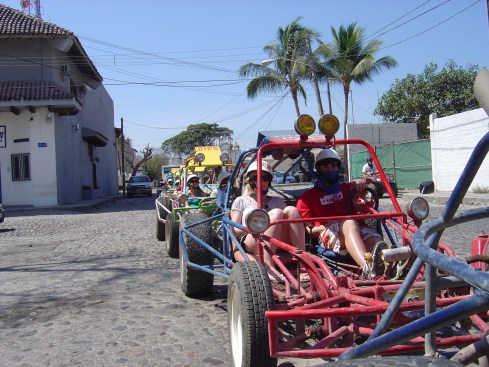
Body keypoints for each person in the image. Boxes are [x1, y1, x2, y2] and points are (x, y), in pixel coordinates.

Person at [296, 148, 389, 279]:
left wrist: (362, 193)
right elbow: (309, 231)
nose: (330, 168)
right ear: (318, 169)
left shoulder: (348, 188)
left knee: (373, 238)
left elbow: (363, 208)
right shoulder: (306, 198)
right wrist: (331, 224)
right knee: (349, 223)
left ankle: (389, 266)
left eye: (333, 165)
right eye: (325, 165)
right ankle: (369, 270)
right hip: (327, 233)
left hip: (355, 228)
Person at [230, 160, 305, 278]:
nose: (262, 182)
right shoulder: (242, 200)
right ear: (250, 180)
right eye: (257, 178)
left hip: (277, 242)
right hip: (252, 239)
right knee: (276, 213)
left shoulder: (277, 201)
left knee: (292, 210)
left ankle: (303, 264)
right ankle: (268, 266)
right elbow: (233, 230)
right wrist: (253, 225)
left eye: (265, 178)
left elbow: (287, 224)